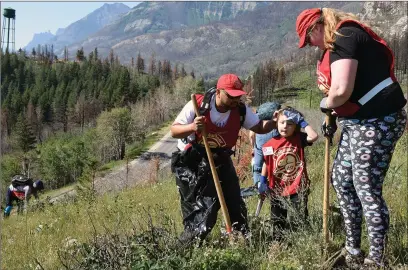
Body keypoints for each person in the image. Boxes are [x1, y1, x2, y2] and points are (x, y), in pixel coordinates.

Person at [296, 7, 407, 268]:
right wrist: (333, 118)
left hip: (379, 120)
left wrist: (326, 104)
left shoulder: (345, 36)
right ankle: (353, 251)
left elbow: (342, 91)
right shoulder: (336, 42)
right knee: (342, 180)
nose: (310, 45)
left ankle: (376, 259)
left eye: (309, 38)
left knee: (365, 186)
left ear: (317, 27)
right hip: (358, 121)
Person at [170, 73, 277, 245]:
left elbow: (258, 126)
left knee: (235, 204)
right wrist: (193, 127)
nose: (235, 100)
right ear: (219, 92)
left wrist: (275, 122)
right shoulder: (199, 105)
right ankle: (184, 249)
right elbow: (174, 130)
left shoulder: (240, 110)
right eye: (231, 96)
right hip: (193, 161)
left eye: (238, 96)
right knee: (204, 211)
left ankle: (243, 242)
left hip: (221, 158)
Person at [260, 107, 318, 239]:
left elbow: (314, 136)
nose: (285, 126)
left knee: (300, 216)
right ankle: (278, 243)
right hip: (277, 187)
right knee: (277, 219)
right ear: (276, 123)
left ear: (296, 126)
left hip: (298, 186)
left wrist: (303, 122)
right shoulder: (269, 144)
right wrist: (262, 180)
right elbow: (266, 162)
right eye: (282, 122)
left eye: (290, 123)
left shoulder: (299, 139)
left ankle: (302, 239)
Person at [251, 102, 282, 188]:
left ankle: (259, 187)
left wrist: (253, 147)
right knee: (271, 164)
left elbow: (251, 135)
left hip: (261, 143)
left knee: (258, 168)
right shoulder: (278, 122)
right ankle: (273, 186)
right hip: (274, 141)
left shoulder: (259, 122)